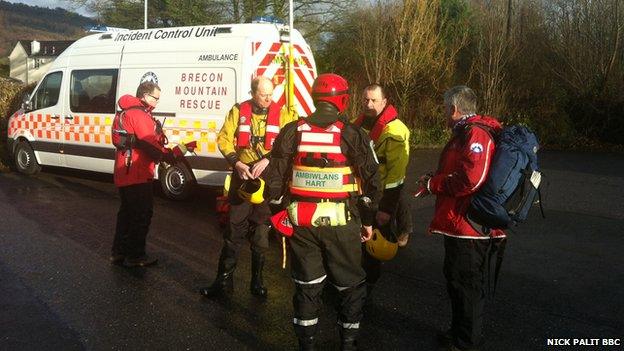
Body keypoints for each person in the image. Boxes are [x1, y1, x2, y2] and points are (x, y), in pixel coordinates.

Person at [265, 73, 382, 351]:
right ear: (342, 101)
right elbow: (373, 185)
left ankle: (306, 345)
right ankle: (348, 344)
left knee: (307, 285)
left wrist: (279, 213)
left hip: (301, 222)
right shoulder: (353, 135)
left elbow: (273, 183)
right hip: (343, 223)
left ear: (316, 99)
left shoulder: (291, 131)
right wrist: (367, 222)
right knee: (350, 286)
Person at [418, 86, 506, 351]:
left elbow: (471, 179)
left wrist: (436, 184)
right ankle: (458, 334)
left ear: (454, 109)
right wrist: (433, 180)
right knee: (457, 282)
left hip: (470, 227)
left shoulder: (475, 133)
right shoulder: (465, 133)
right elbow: (460, 172)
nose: (444, 113)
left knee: (467, 287)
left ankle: (467, 343)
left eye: (446, 108)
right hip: (460, 225)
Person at [199, 76, 295, 298]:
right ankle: (223, 283)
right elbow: (223, 138)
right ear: (253, 93)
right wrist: (237, 163)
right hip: (242, 175)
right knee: (233, 230)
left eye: (271, 94)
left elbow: (290, 141)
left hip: (268, 179)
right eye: (264, 94)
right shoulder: (238, 110)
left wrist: (269, 159)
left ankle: (257, 282)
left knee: (261, 232)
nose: (269, 98)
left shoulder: (282, 113)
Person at [353, 84, 412, 296]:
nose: (368, 105)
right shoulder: (355, 125)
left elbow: (396, 178)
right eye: (365, 100)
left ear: (384, 102)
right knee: (354, 244)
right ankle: (354, 286)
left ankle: (367, 290)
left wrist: (386, 209)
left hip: (379, 198)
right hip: (357, 195)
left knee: (373, 249)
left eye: (373, 100)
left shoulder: (396, 131)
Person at [111, 81, 176, 267]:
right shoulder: (139, 115)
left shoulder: (124, 111)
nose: (157, 102)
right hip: (137, 172)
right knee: (141, 215)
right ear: (145, 95)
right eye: (155, 98)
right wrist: (168, 155)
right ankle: (136, 256)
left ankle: (118, 252)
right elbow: (150, 144)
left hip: (124, 170)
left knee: (126, 214)